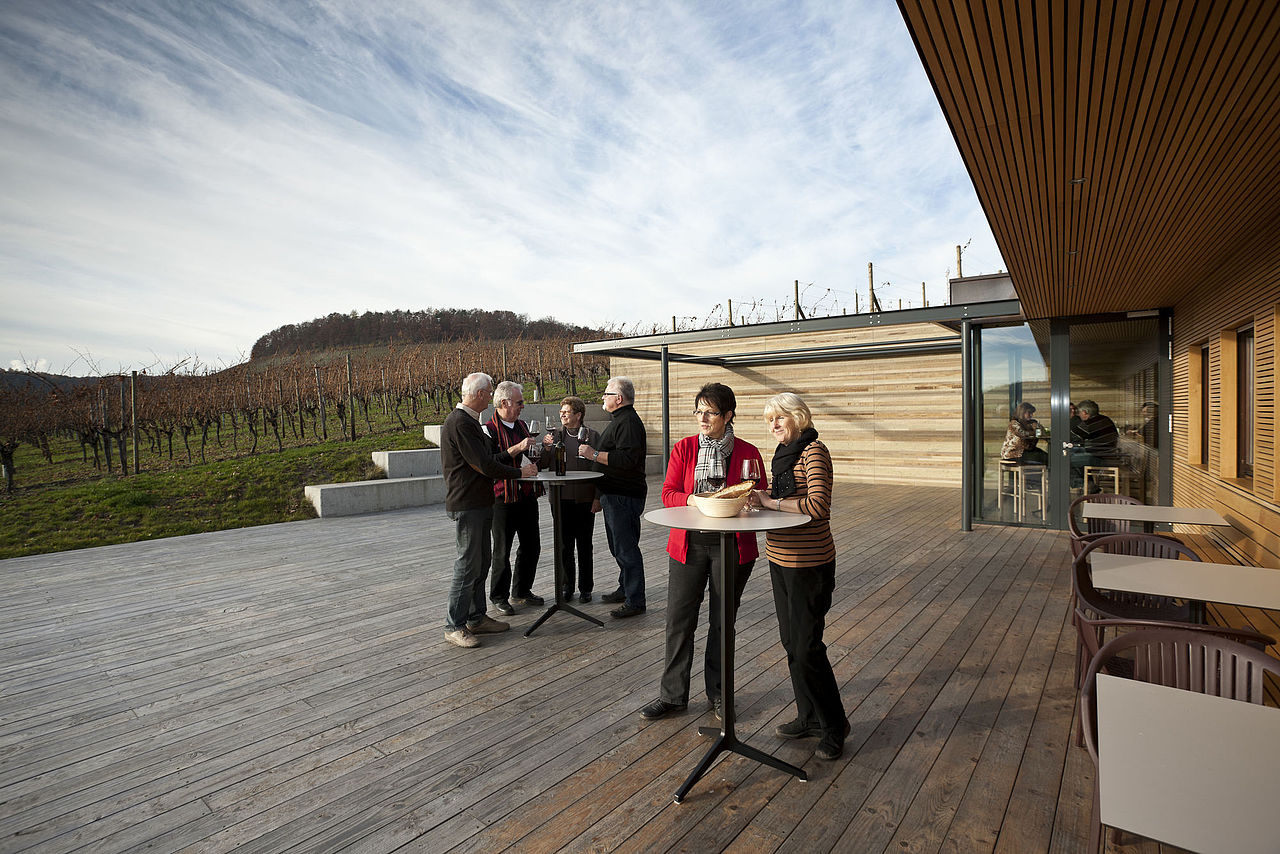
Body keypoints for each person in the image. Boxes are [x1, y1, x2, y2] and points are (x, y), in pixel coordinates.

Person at [640, 383, 768, 722]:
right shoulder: (684, 449)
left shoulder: (748, 452)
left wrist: (749, 500)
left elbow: (760, 494)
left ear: (727, 415)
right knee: (678, 621)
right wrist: (693, 499)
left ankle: (720, 696)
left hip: (732, 545)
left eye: (709, 412)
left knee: (722, 624)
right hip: (688, 544)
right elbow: (668, 493)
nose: (702, 418)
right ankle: (672, 696)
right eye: (698, 411)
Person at [748, 392, 848, 761]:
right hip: (779, 558)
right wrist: (760, 497)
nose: (772, 425)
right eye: (768, 419)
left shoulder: (813, 451)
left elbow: (818, 506)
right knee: (792, 644)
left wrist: (771, 502)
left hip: (810, 563)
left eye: (778, 417)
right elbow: (787, 495)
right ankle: (809, 717)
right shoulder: (783, 454)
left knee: (807, 648)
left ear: (798, 417)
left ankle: (835, 725)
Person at [440, 372, 536, 648]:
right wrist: (520, 473)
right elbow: (484, 464)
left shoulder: (470, 422)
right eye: (490, 391)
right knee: (467, 564)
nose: (492, 396)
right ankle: (454, 625)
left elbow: (491, 459)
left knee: (480, 563)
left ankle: (476, 617)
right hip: (468, 503)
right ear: (480, 394)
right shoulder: (460, 423)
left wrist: (513, 459)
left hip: (480, 502)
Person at [577, 376, 648, 618]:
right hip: (614, 494)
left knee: (626, 549)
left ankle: (635, 600)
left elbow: (628, 460)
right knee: (618, 547)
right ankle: (625, 588)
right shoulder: (621, 420)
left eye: (607, 394)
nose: (603, 398)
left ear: (619, 399)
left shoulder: (627, 422)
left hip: (623, 495)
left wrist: (593, 454)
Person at [484, 381, 544, 615]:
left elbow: (532, 457)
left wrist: (543, 451)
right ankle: (499, 596)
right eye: (519, 402)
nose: (522, 406)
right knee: (502, 550)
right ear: (504, 403)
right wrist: (517, 448)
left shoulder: (522, 425)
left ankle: (521, 591)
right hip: (502, 499)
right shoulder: (487, 429)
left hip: (527, 495)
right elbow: (490, 463)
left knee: (531, 546)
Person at [542, 396, 601, 602]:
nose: (562, 415)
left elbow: (601, 468)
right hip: (560, 498)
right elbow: (542, 463)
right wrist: (546, 449)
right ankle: (567, 587)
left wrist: (597, 498)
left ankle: (586, 588)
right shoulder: (554, 436)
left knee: (585, 544)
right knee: (564, 544)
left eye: (566, 412)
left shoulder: (593, 436)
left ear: (578, 415)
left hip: (585, 498)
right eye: (561, 412)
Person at [1070, 399, 1120, 489]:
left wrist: (1071, 418)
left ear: (1085, 412)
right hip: (1106, 454)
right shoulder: (1104, 419)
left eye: (1079, 413)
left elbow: (1073, 434)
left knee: (1065, 460)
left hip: (1101, 458)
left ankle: (1085, 485)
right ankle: (1090, 484)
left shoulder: (1091, 423)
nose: (1079, 415)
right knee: (1072, 454)